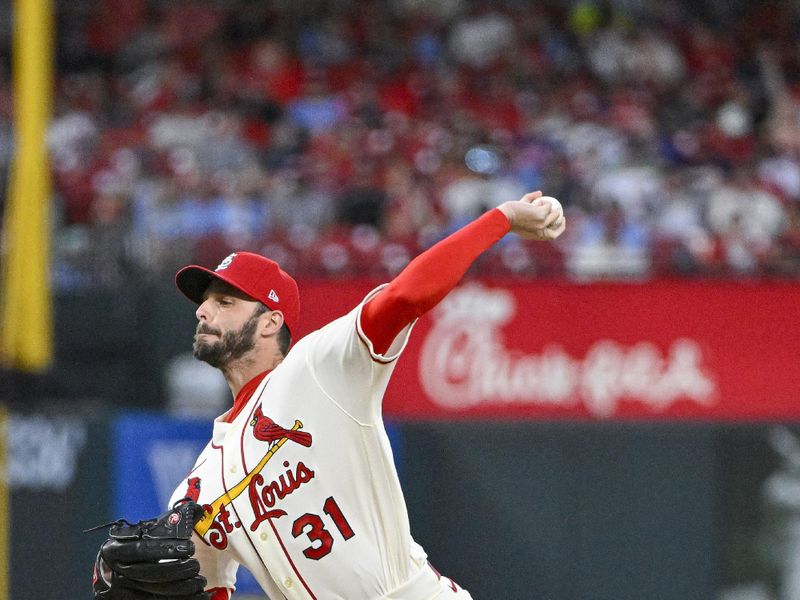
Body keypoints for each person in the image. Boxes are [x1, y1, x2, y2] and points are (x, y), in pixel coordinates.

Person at [94, 191, 565, 599]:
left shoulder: (318, 368)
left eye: (225, 302)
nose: (204, 312)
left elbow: (404, 297)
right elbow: (210, 588)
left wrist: (500, 218)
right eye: (204, 303)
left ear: (271, 322)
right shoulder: (198, 487)